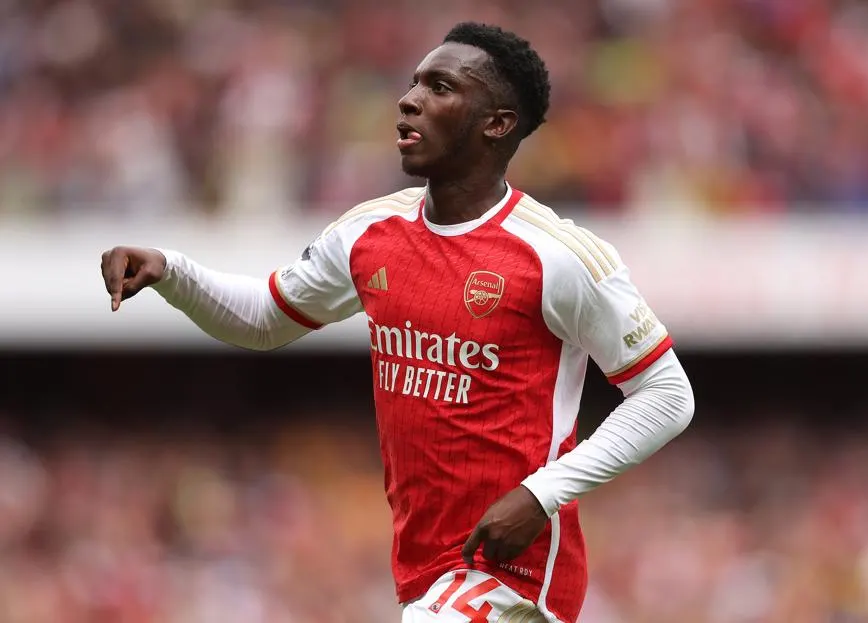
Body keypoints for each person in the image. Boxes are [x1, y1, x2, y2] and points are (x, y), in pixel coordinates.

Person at [100, 22, 694, 623]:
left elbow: (667, 393)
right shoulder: (369, 233)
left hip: (515, 572)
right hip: (425, 565)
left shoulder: (557, 256)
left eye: (440, 87)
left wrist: (542, 494)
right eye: (414, 83)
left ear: (496, 124)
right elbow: (264, 320)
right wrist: (171, 271)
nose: (409, 100)